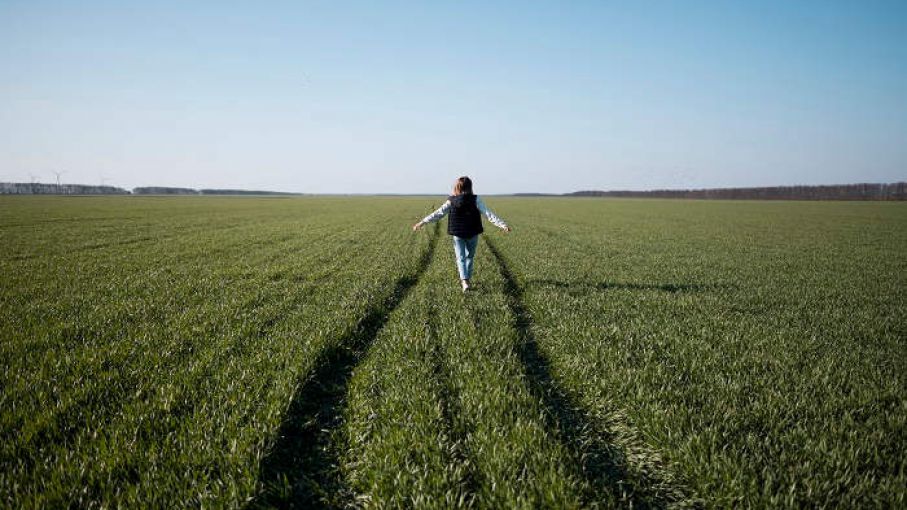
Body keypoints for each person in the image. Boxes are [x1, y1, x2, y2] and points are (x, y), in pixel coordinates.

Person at [412, 176, 511, 292]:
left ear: (457, 186)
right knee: (470, 257)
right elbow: (488, 214)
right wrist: (502, 225)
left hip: (458, 233)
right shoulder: (476, 199)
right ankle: (466, 280)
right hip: (473, 232)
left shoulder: (451, 200)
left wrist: (422, 222)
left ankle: (464, 281)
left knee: (461, 258)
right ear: (470, 187)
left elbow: (438, 213)